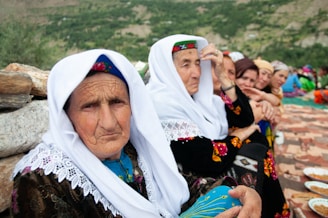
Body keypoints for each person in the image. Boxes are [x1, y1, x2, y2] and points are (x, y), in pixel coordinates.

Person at [10, 49, 261, 218]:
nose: (109, 122)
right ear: (67, 116)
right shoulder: (41, 179)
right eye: (89, 106)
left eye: (117, 102)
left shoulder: (133, 149)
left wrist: (245, 193)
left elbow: (185, 185)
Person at [146, 34, 290, 218]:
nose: (197, 72)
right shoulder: (163, 103)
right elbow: (210, 159)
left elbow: (245, 119)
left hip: (211, 167)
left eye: (198, 63)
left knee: (257, 147)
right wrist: (241, 135)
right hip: (190, 182)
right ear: (166, 68)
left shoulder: (201, 100)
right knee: (254, 153)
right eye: (186, 64)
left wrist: (223, 75)